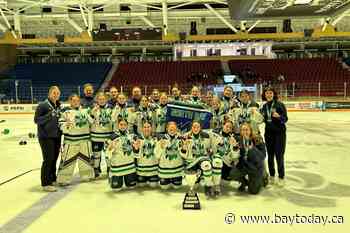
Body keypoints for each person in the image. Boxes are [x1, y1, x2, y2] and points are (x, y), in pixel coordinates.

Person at [57, 94, 94, 185]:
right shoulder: (65, 111)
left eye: (77, 100)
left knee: (86, 159)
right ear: (70, 101)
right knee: (68, 160)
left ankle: (87, 176)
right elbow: (60, 123)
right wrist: (66, 125)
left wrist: (93, 114)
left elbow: (92, 122)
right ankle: (63, 179)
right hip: (71, 141)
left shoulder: (85, 110)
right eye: (74, 100)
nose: (76, 102)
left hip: (85, 140)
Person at [34, 86, 62, 192]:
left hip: (56, 136)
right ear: (49, 94)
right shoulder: (43, 105)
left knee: (54, 159)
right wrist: (49, 115)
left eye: (58, 93)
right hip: (45, 137)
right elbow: (36, 120)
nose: (56, 95)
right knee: (48, 159)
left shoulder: (58, 105)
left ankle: (52, 179)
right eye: (54, 93)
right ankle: (45, 183)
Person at [260, 87, 288, 186]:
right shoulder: (264, 106)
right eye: (267, 93)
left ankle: (281, 177)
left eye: (270, 93)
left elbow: (285, 119)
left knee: (279, 156)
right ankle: (272, 175)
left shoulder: (280, 105)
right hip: (268, 134)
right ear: (265, 95)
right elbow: (262, 118)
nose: (269, 95)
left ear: (273, 94)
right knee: (270, 156)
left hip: (279, 134)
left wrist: (279, 117)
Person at [229, 123, 266, 194]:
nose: (245, 132)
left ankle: (263, 177)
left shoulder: (257, 139)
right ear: (240, 131)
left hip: (256, 167)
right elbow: (234, 155)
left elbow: (262, 156)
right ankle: (245, 182)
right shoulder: (238, 139)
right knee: (233, 174)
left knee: (253, 191)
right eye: (243, 130)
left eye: (247, 130)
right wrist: (234, 147)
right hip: (244, 165)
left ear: (250, 131)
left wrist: (252, 149)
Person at [182, 121, 215, 197]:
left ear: (200, 128)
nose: (196, 128)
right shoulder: (186, 136)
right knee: (195, 185)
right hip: (191, 162)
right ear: (191, 127)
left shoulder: (206, 136)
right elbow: (183, 154)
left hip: (202, 159)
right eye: (194, 127)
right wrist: (184, 147)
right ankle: (197, 180)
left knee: (206, 165)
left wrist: (210, 151)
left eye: (197, 127)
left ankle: (208, 186)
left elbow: (209, 148)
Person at [105, 118, 137, 191]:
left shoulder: (132, 135)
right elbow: (106, 152)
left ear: (127, 126)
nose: (123, 126)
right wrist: (110, 147)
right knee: (116, 189)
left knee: (131, 187)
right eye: (121, 124)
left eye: (125, 125)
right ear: (118, 125)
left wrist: (136, 147)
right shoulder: (112, 136)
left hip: (130, 167)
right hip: (118, 167)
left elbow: (136, 150)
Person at [155, 122, 185, 190]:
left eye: (174, 128)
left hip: (177, 169)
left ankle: (176, 179)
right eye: (170, 128)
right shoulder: (161, 138)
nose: (172, 129)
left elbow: (184, 155)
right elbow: (157, 155)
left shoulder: (180, 138)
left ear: (177, 129)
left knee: (177, 187)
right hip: (164, 170)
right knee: (164, 187)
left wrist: (184, 148)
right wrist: (161, 147)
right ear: (166, 129)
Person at [90, 92, 114, 178]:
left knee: (108, 153)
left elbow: (114, 121)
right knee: (96, 154)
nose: (101, 101)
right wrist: (92, 113)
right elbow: (90, 121)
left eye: (103, 99)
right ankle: (96, 168)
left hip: (107, 136)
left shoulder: (111, 108)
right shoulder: (93, 109)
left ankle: (109, 168)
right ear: (97, 100)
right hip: (96, 136)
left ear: (106, 99)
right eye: (100, 99)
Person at [132, 122, 159, 188]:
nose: (146, 129)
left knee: (153, 185)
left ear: (151, 128)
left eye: (148, 127)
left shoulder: (156, 138)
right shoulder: (137, 139)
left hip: (153, 170)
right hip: (141, 170)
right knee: (141, 185)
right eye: (145, 127)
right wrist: (136, 149)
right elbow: (134, 155)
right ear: (142, 129)